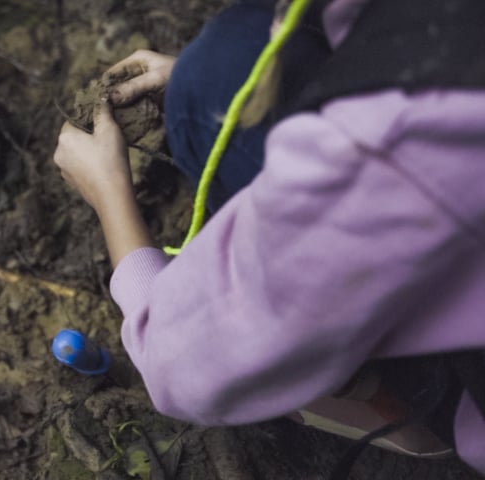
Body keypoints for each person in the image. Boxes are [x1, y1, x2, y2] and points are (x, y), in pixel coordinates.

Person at [53, 0, 485, 475]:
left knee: (223, 75)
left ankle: (408, 401)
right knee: (220, 74)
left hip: (468, 369)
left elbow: (183, 368)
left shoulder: (395, 148)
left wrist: (110, 195)